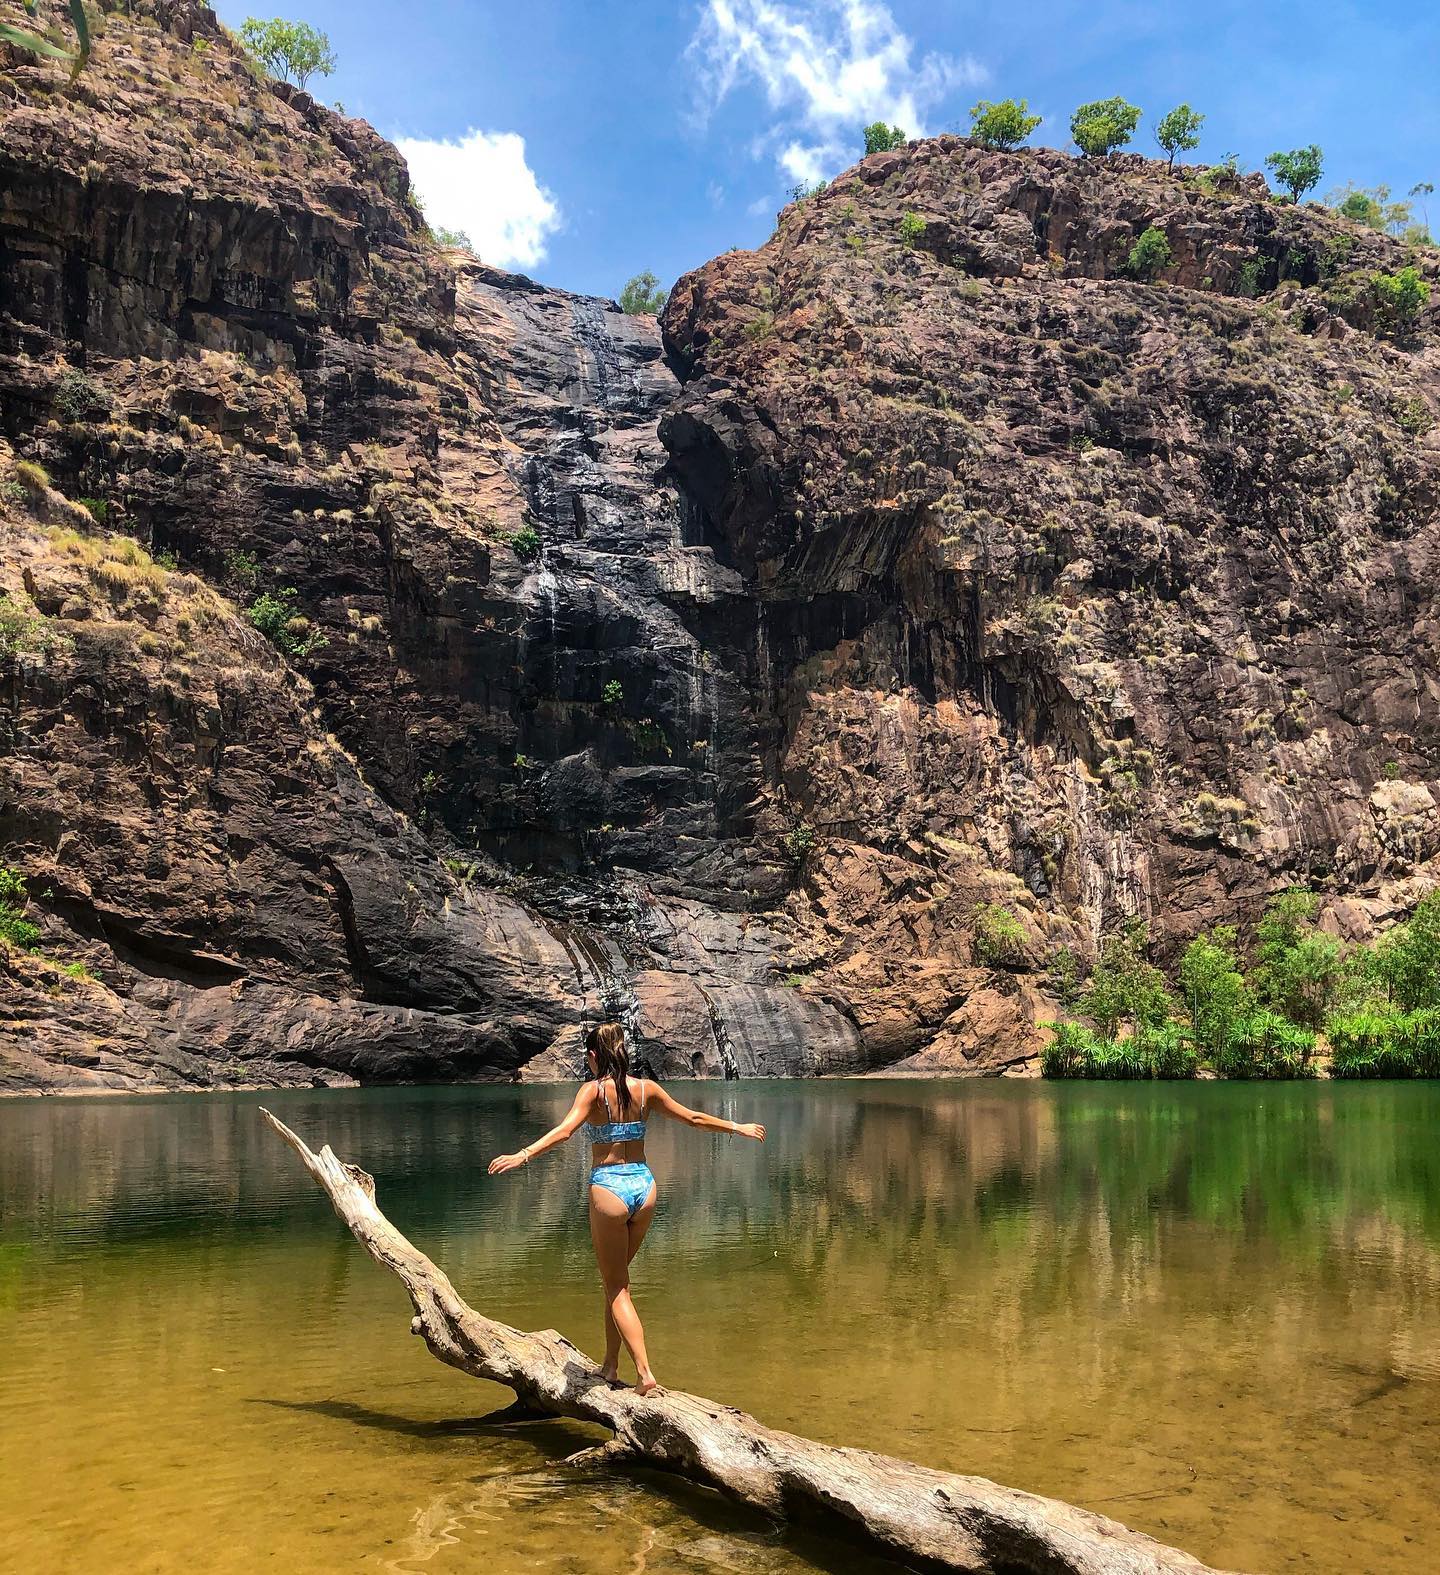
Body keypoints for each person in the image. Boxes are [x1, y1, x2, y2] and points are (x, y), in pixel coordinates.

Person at [487, 1022, 765, 1394]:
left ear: (592, 1056)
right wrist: (737, 1126)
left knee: (618, 1288)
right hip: (644, 1188)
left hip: (609, 1189)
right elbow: (694, 1119)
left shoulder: (591, 1092)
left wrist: (523, 1155)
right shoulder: (646, 1089)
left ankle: (645, 1372)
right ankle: (610, 1366)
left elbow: (565, 1131)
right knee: (615, 1282)